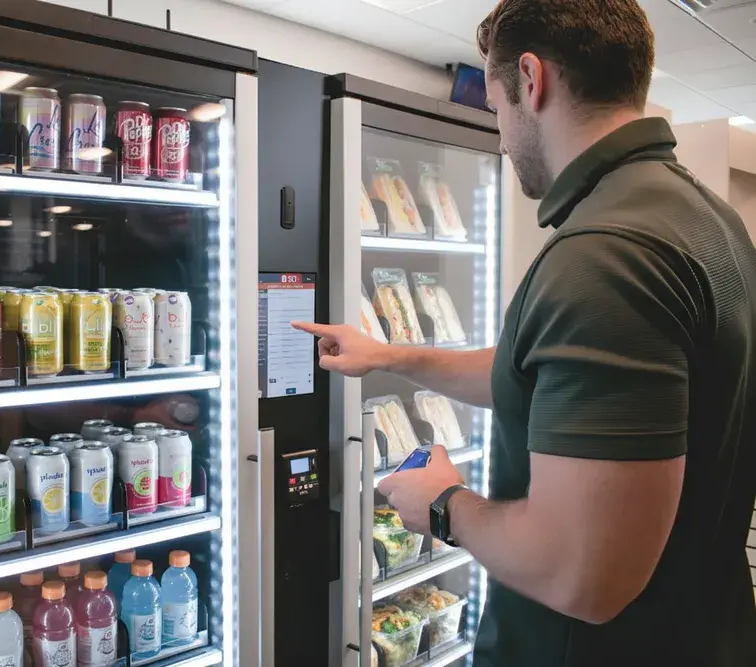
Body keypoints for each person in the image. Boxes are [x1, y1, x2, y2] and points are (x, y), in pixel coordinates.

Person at [293, 1, 756, 665]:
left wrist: (444, 504)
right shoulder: (705, 218)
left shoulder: (606, 257)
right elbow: (550, 379)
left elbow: (582, 574)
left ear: (531, 79)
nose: (501, 135)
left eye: (495, 105)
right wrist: (393, 355)